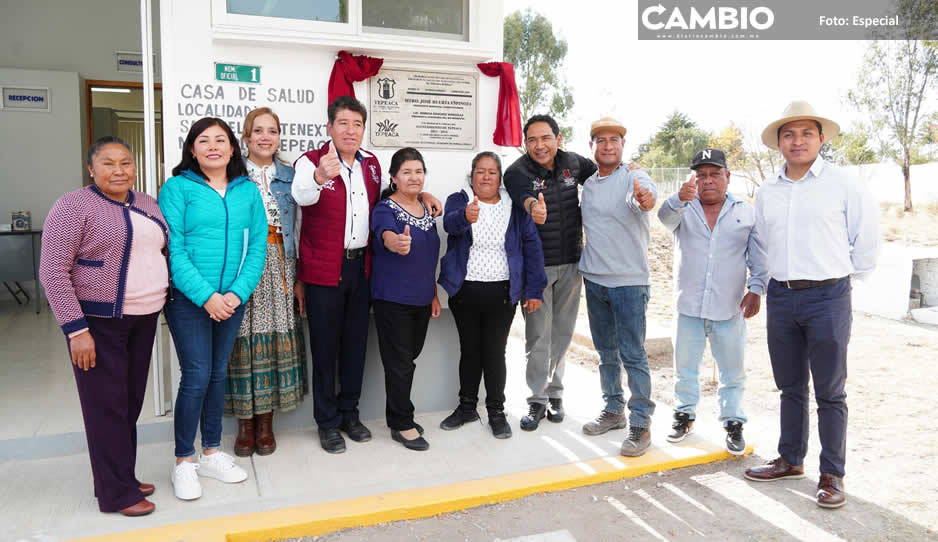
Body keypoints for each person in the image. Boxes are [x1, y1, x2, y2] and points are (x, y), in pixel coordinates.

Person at [744, 101, 880, 509]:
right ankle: (790, 458)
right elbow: (763, 244)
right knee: (789, 386)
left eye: (806, 133)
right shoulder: (767, 191)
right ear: (779, 143)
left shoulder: (843, 184)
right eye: (789, 134)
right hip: (782, 296)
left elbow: (866, 240)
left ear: (821, 138)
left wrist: (841, 281)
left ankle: (831, 473)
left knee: (830, 392)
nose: (797, 140)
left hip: (829, 296)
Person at [291, 96, 441, 454]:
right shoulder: (311, 161)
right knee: (325, 349)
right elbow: (300, 195)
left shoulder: (371, 165)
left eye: (357, 124)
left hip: (362, 269)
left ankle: (349, 414)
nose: (350, 131)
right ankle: (326, 423)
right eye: (342, 123)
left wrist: (425, 191)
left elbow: (392, 195)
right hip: (324, 269)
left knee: (356, 346)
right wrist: (319, 176)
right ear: (329, 127)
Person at [39, 136, 168, 517]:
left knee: (127, 405)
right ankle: (117, 495)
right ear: (92, 169)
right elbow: (52, 271)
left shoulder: (145, 203)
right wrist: (76, 331)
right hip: (98, 324)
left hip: (143, 321)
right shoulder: (73, 206)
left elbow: (160, 250)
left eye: (125, 162)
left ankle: (119, 477)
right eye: (108, 163)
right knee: (105, 408)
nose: (118, 170)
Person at [159, 117, 268, 501]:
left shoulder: (247, 192)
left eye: (220, 140)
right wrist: (206, 296)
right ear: (192, 149)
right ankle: (184, 461)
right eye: (203, 141)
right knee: (197, 375)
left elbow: (257, 247)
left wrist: (236, 294)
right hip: (188, 300)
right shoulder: (176, 189)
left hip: (232, 300)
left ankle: (210, 452)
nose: (212, 147)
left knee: (218, 373)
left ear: (233, 148)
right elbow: (174, 250)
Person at [657, 148, 768, 455]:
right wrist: (679, 197)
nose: (708, 181)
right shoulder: (683, 207)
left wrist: (757, 289)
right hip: (688, 307)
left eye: (714, 174)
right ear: (694, 178)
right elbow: (664, 219)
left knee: (732, 371)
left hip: (728, 307)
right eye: (701, 174)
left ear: (727, 177)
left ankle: (733, 422)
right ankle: (684, 415)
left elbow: (759, 258)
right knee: (685, 368)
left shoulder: (745, 213)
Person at [437, 152, 547, 439]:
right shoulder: (459, 199)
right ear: (472, 175)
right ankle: (466, 407)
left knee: (495, 352)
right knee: (470, 351)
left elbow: (531, 245)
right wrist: (465, 216)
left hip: (502, 291)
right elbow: (449, 224)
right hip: (465, 290)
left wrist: (534, 288)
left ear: (499, 178)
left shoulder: (514, 206)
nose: (486, 177)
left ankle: (496, 411)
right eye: (480, 171)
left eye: (492, 172)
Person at [503, 114, 597, 431]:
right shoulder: (517, 172)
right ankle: (536, 400)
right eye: (532, 140)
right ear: (525, 143)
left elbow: (604, 177)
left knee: (562, 334)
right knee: (538, 336)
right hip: (536, 269)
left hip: (572, 263)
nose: (539, 145)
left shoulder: (575, 164)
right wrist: (534, 207)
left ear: (558, 138)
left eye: (545, 138)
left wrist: (632, 172)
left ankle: (556, 394)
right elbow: (523, 197)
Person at [226, 107, 308, 457]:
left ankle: (266, 425)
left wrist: (300, 276)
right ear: (246, 136)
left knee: (276, 341)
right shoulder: (230, 175)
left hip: (281, 262)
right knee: (241, 341)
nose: (265, 137)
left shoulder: (291, 176)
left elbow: (303, 229)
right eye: (257, 130)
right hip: (242, 265)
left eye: (271, 131)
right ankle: (245, 424)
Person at [578, 117, 658, 457]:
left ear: (623, 146)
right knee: (606, 353)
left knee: (633, 354)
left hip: (629, 283)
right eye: (601, 140)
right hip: (594, 279)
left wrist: (644, 198)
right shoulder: (590, 183)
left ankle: (641, 423)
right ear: (592, 146)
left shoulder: (634, 176)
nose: (607, 145)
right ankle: (614, 410)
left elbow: (645, 198)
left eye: (614, 140)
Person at [370, 147, 441, 451]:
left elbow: (428, 259)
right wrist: (395, 242)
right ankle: (402, 422)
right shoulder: (386, 208)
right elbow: (384, 233)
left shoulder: (427, 209)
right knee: (399, 363)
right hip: (392, 298)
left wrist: (434, 295)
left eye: (419, 171)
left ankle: (397, 414)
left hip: (422, 299)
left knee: (407, 360)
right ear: (394, 178)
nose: (414, 177)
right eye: (407, 172)